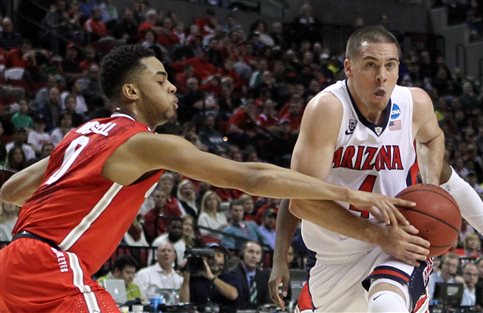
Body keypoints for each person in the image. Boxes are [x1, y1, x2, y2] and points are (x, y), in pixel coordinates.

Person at [0, 44, 412, 313]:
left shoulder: (80, 135)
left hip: (15, 261)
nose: (174, 86)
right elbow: (251, 176)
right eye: (161, 80)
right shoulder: (141, 142)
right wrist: (345, 193)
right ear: (131, 92)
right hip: (53, 266)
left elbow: (11, 191)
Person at [268, 26, 483, 313]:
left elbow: (442, 163)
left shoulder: (415, 105)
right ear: (349, 67)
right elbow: (299, 196)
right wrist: (279, 257)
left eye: (390, 65)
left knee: (386, 306)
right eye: (370, 65)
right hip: (333, 258)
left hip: (397, 244)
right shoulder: (328, 109)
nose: (381, 76)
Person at [181, 242, 239, 313]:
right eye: (210, 256)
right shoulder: (196, 280)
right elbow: (184, 303)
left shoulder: (230, 277)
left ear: (225, 260)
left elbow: (233, 295)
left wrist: (212, 277)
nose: (214, 258)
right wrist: (186, 279)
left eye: (218, 255)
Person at [228, 240, 270, 310]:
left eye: (258, 253)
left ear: (261, 257)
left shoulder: (264, 276)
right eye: (250, 252)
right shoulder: (232, 274)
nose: (254, 256)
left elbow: (266, 302)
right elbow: (237, 303)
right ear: (242, 254)